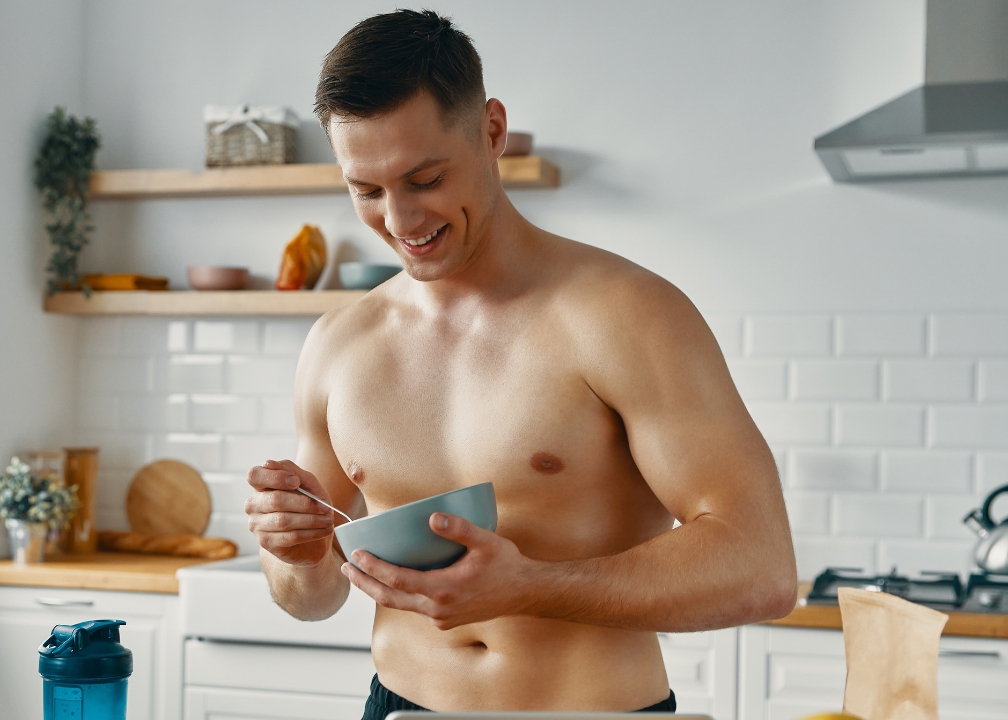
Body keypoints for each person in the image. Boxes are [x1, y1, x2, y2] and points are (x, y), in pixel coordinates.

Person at [244, 9, 797, 718]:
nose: (402, 220)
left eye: (425, 177)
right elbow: (311, 601)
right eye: (368, 191)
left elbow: (761, 566)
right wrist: (294, 553)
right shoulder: (338, 344)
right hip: (400, 704)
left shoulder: (626, 315)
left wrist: (529, 585)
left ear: (492, 131)